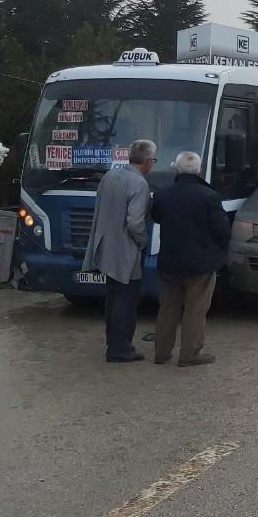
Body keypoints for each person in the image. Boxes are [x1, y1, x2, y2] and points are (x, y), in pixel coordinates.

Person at [150, 151, 230, 367]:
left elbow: (156, 217)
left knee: (167, 307)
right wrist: (220, 252)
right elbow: (222, 231)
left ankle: (162, 352)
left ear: (176, 169)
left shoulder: (163, 194)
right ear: (199, 170)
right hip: (201, 263)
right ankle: (190, 354)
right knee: (195, 308)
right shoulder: (209, 196)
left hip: (169, 261)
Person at [82, 139, 156, 363]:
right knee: (126, 302)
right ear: (148, 161)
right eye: (153, 160)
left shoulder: (110, 176)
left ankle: (113, 343)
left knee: (113, 299)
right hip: (126, 252)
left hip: (105, 248)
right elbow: (135, 223)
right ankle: (121, 349)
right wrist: (143, 241)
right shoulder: (140, 184)